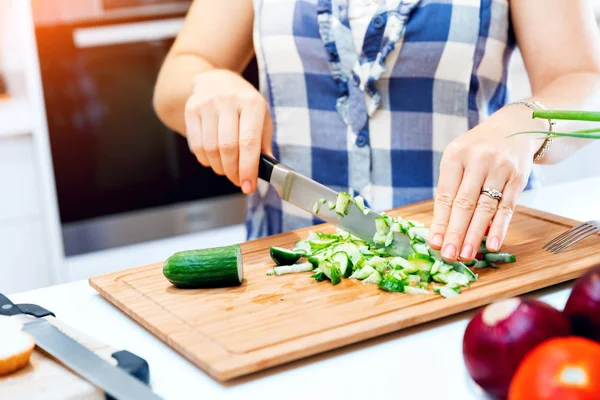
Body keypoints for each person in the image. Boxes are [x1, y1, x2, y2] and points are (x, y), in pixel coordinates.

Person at [153, 0, 600, 263]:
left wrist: (523, 124)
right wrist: (207, 82)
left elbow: (585, 78)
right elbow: (179, 74)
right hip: (287, 267)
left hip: (472, 258)